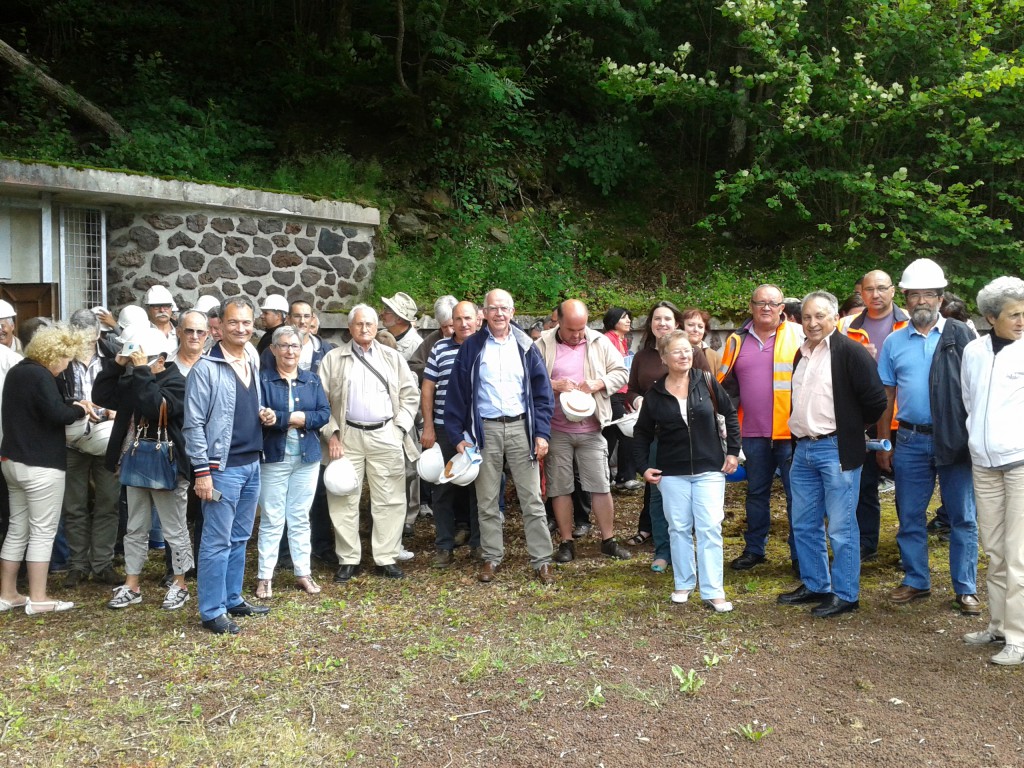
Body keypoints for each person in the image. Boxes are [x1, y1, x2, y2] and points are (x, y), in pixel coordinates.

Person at [877, 258, 979, 614]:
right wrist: (883, 442)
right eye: (914, 295)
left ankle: (965, 587)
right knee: (909, 513)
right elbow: (886, 397)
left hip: (955, 439)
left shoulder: (963, 335)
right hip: (909, 440)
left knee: (963, 516)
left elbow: (977, 389)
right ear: (904, 298)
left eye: (929, 295)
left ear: (940, 297)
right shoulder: (893, 342)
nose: (922, 301)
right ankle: (916, 580)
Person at [777, 292, 886, 618]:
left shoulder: (850, 352)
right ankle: (815, 585)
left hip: (835, 449)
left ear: (835, 316)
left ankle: (846, 595)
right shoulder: (802, 353)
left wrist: (851, 428)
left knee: (840, 527)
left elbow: (876, 401)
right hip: (803, 448)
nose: (812, 322)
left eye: (819, 316)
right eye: (807, 316)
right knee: (804, 524)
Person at [445, 289, 557, 584]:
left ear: (512, 311)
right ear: (483, 313)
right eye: (492, 308)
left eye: (503, 308)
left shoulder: (525, 345)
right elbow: (456, 394)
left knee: (532, 498)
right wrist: (457, 435)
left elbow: (543, 394)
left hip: (522, 428)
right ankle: (491, 557)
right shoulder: (472, 347)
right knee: (487, 499)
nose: (498, 314)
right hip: (486, 430)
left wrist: (542, 433)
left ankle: (542, 560)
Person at [184, 297, 274, 635]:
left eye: (247, 323)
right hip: (222, 468)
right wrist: (202, 472)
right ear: (218, 326)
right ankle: (211, 610)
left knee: (239, 537)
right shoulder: (205, 368)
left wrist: (263, 413)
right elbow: (193, 425)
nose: (241, 329)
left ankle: (233, 598)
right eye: (234, 322)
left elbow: (241, 407)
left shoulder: (251, 358)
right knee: (216, 541)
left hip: (252, 462)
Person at [633, 330, 740, 611]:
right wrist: (643, 467)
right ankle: (683, 583)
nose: (684, 355)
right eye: (677, 351)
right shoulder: (655, 393)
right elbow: (641, 432)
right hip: (671, 472)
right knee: (678, 528)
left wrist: (732, 452)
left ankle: (714, 590)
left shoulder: (705, 381)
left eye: (687, 350)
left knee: (709, 528)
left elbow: (730, 413)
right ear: (664, 358)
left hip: (709, 467)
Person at [93, 327, 193, 611]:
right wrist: (118, 364)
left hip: (168, 466)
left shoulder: (177, 382)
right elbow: (102, 394)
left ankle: (180, 583)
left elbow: (154, 407)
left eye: (143, 357)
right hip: (136, 462)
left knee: (174, 529)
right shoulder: (134, 377)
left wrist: (140, 373)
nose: (138, 362)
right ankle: (132, 584)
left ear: (161, 358)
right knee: (135, 528)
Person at [319, 304, 420, 582]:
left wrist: (399, 428)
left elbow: (410, 395)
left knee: (390, 498)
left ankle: (385, 557)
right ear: (350, 328)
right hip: (347, 436)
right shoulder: (333, 359)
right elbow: (320, 401)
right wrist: (333, 433)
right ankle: (348, 558)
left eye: (370, 325)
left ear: (378, 328)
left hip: (385, 433)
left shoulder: (392, 357)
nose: (365, 329)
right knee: (343, 497)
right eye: (359, 324)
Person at [0, 323, 89, 614]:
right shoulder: (41, 375)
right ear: (55, 354)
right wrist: (81, 409)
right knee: (42, 531)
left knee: (17, 529)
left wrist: (68, 403)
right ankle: (38, 598)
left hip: (12, 462)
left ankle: (8, 593)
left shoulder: (18, 371)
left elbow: (41, 406)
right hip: (41, 465)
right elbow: (57, 414)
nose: (65, 368)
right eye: (66, 360)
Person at [536, 299, 631, 563]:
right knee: (560, 487)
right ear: (558, 321)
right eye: (571, 330)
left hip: (591, 427)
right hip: (556, 428)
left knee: (600, 485)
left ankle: (608, 540)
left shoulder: (599, 341)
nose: (578, 335)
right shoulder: (542, 344)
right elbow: (528, 379)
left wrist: (599, 382)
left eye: (582, 329)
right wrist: (553, 384)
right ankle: (566, 542)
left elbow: (622, 373)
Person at [960, 276, 1024, 664]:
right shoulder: (974, 351)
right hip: (983, 462)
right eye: (1013, 314)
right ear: (990, 317)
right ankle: (998, 624)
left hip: (1020, 462)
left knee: (1019, 553)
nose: (1021, 321)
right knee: (995, 549)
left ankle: (1018, 637)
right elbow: (970, 399)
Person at [717, 284, 802, 574]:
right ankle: (754, 549)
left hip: (791, 433)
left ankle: (800, 553)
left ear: (782, 308)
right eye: (760, 302)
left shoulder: (799, 334)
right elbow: (725, 387)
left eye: (772, 303)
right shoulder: (736, 341)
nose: (766, 307)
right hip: (752, 433)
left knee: (797, 496)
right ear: (751, 307)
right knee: (756, 494)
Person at [837, 270, 910, 561]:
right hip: (863, 418)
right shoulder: (845, 325)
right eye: (869, 289)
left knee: (908, 486)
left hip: (902, 419)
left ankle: (908, 545)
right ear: (861, 292)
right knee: (864, 482)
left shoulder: (908, 323)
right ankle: (867, 541)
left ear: (893, 291)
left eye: (882, 288)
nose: (876, 294)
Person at [255, 325, 331, 598]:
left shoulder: (311, 380)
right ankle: (265, 576)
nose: (290, 351)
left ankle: (303, 572)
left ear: (301, 350)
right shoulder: (261, 380)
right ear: (273, 349)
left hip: (306, 457)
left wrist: (292, 419)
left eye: (295, 346)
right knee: (273, 518)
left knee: (300, 517)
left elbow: (324, 413)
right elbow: (258, 414)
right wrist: (285, 418)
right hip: (274, 457)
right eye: (284, 345)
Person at [59, 309, 124, 589]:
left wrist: (112, 411)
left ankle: (102, 564)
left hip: (108, 436)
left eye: (89, 338)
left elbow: (128, 392)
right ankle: (77, 565)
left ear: (98, 334)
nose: (84, 343)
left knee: (108, 502)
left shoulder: (114, 355)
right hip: (70, 438)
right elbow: (50, 397)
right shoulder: (59, 357)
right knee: (73, 504)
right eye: (79, 338)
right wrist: (74, 409)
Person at [624, 300, 685, 572]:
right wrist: (637, 401)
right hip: (655, 436)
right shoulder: (643, 356)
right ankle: (662, 551)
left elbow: (708, 391)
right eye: (657, 319)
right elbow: (632, 389)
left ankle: (684, 546)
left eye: (667, 319)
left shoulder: (689, 352)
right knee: (658, 495)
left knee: (687, 495)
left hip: (688, 438)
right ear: (650, 324)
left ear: (677, 323)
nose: (662, 323)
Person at [422, 300, 480, 567]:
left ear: (478, 319)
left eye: (468, 318)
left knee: (480, 488)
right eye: (458, 319)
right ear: (451, 322)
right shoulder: (439, 348)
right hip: (445, 428)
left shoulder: (486, 345)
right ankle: (444, 546)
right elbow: (428, 389)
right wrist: (429, 426)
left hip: (479, 428)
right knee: (442, 488)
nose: (463, 324)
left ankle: (479, 545)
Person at [602, 307, 639, 491]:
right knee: (627, 431)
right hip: (611, 394)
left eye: (629, 317)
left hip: (622, 393)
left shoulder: (621, 340)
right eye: (624, 317)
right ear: (613, 319)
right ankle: (625, 476)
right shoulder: (607, 339)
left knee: (609, 436)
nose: (628, 320)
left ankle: (605, 477)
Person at [408, 295, 458, 379]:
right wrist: (434, 367)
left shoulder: (468, 337)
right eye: (444, 327)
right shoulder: (433, 338)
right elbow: (412, 366)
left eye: (452, 325)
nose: (449, 331)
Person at [381, 292, 423, 361]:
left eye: (387, 311)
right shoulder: (379, 336)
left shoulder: (417, 346)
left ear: (399, 319)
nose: (382, 313)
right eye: (385, 308)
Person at [681, 307, 719, 375]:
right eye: (691, 325)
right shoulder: (672, 352)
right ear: (682, 327)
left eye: (700, 326)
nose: (696, 329)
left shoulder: (715, 357)